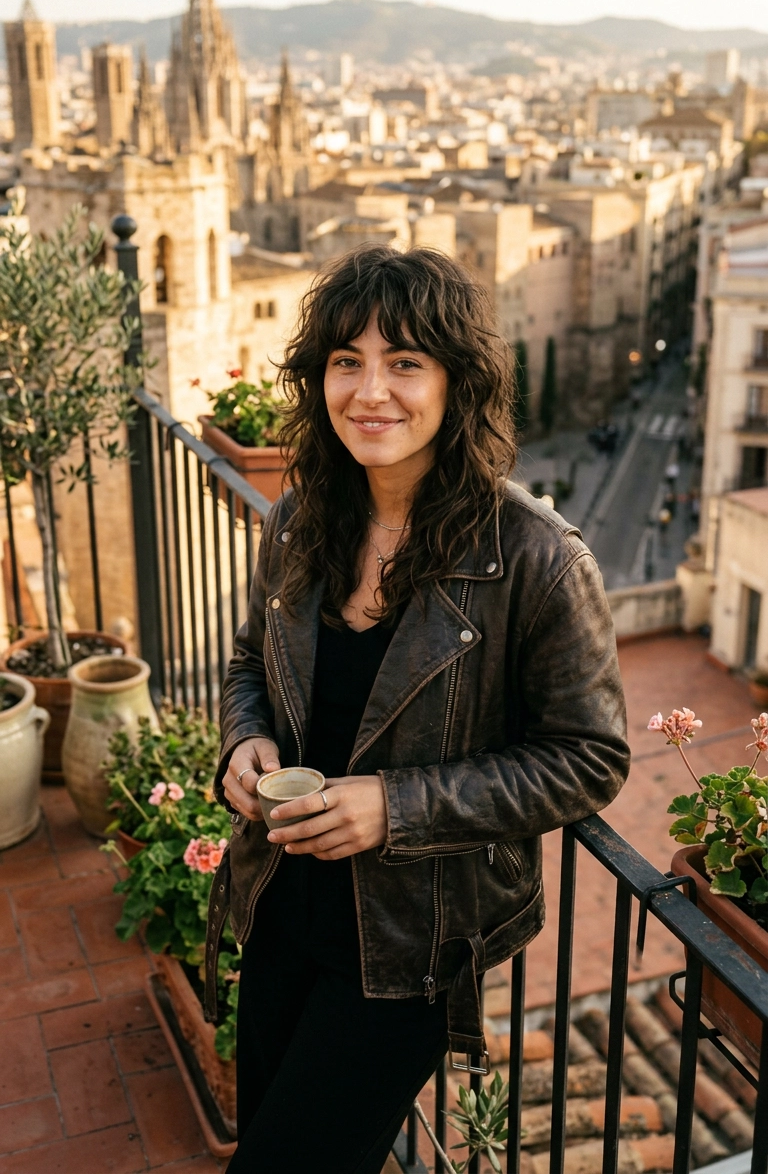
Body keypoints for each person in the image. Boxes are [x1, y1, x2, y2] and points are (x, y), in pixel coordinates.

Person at [205, 245, 629, 1174]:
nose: (370, 392)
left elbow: (591, 758)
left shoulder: (537, 559)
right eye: (346, 361)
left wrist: (394, 808)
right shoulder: (302, 517)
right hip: (276, 903)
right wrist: (245, 740)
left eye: (404, 362)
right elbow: (248, 663)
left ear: (455, 381)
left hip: (411, 950)